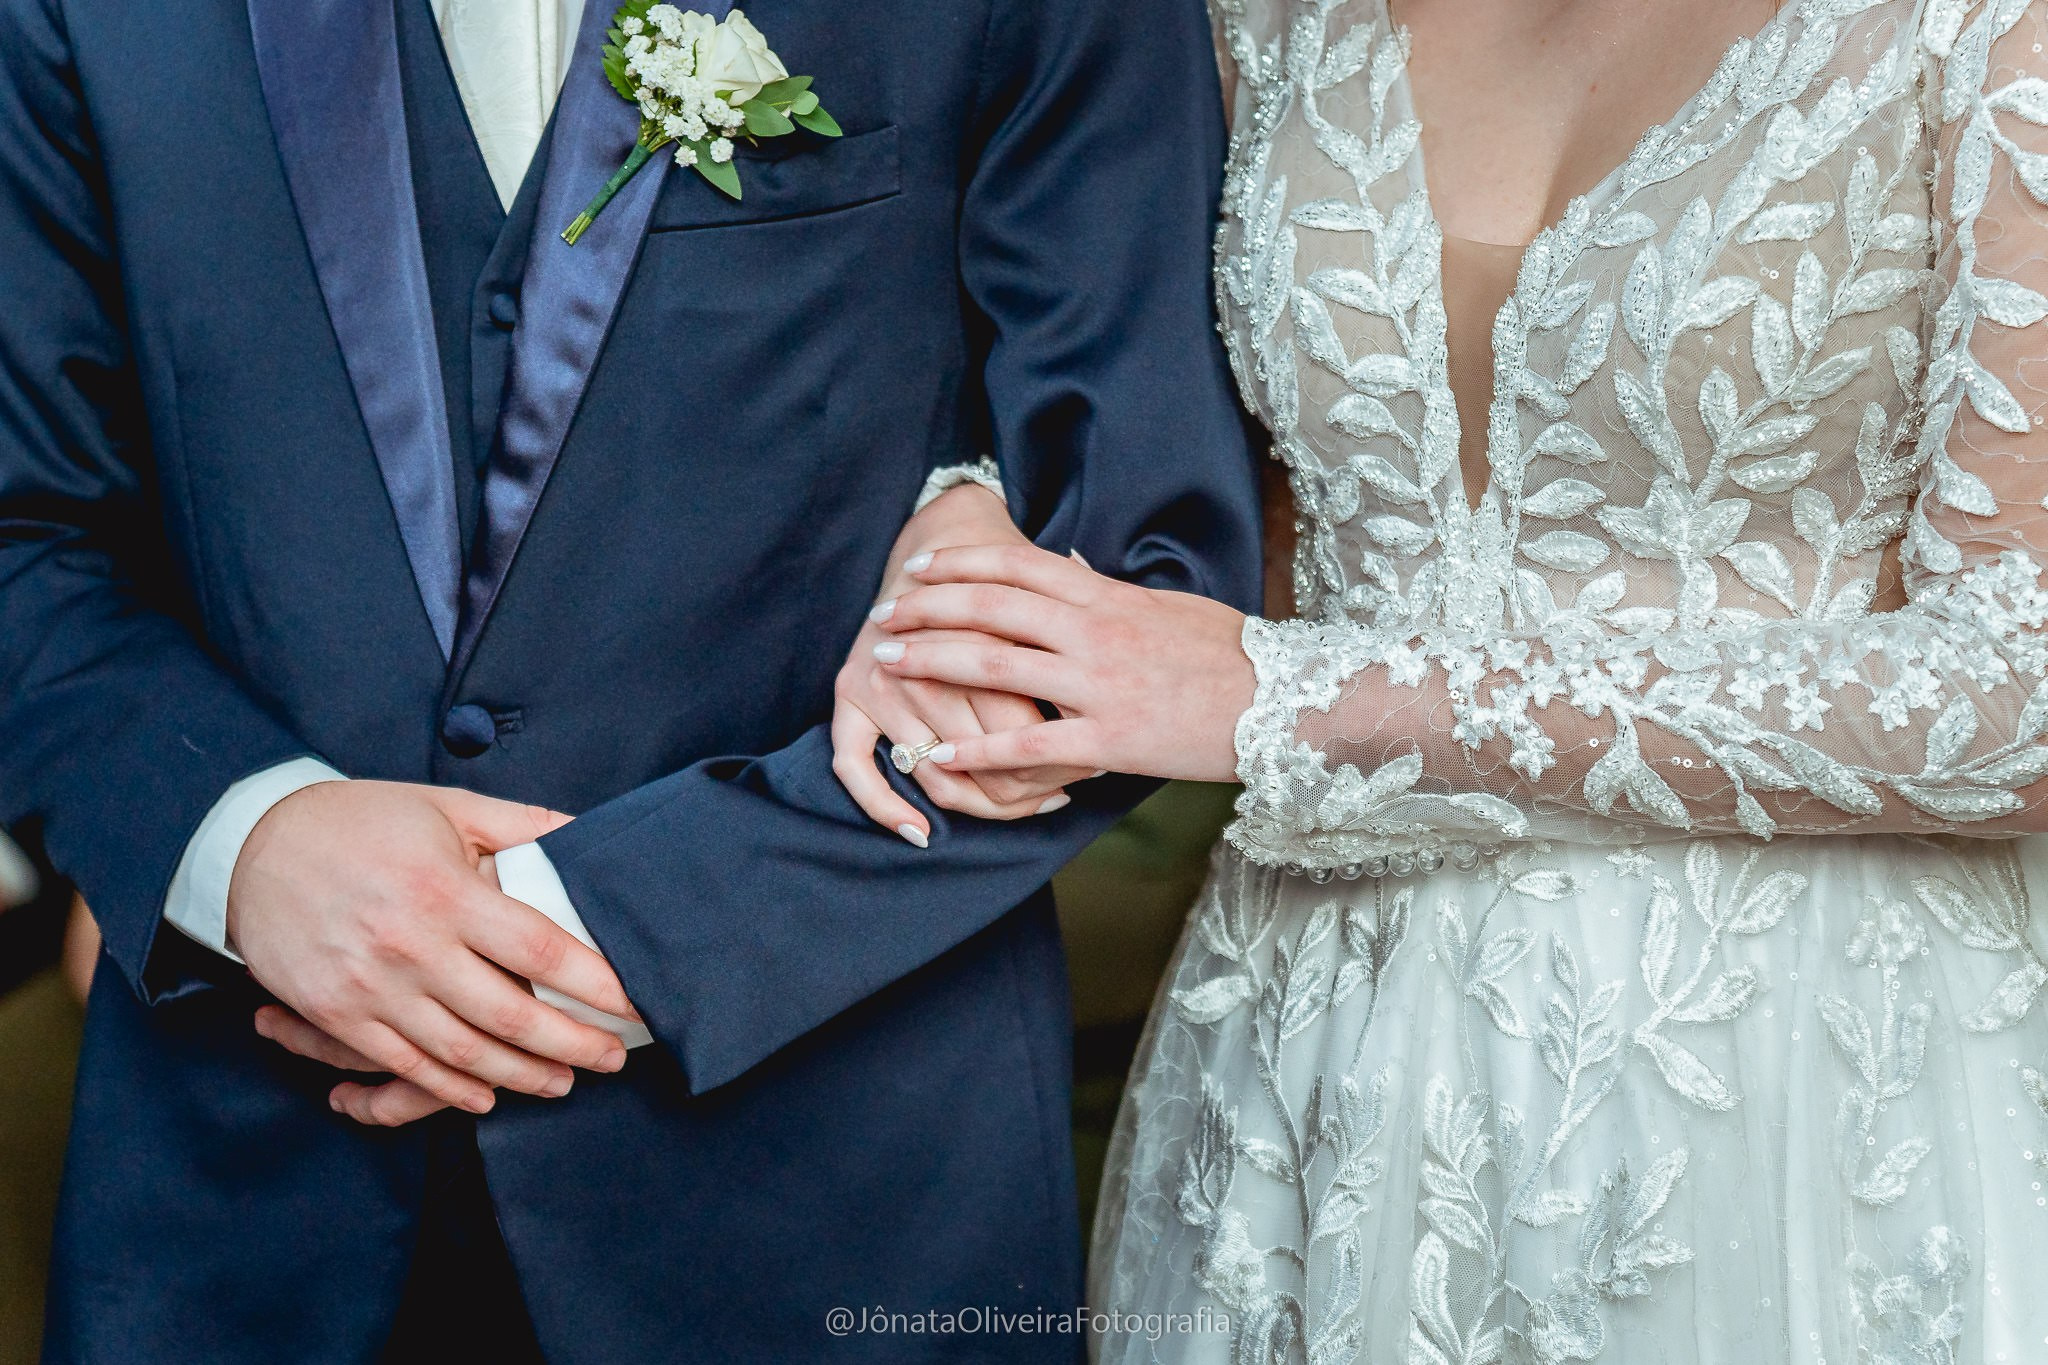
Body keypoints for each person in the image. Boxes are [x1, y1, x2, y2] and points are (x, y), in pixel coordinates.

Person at [0, 0, 1262, 1358]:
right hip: (250, 1214)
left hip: (832, 1196)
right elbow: (30, 531)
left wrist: (575, 924)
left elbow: (1134, 582)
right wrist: (236, 838)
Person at [836, 0, 2048, 1357]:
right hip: (1311, 1044)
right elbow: (1207, 489)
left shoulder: (1984, 30)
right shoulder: (1266, 19)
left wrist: (1303, 708)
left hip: (1795, 1072)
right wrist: (975, 531)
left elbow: (2022, 689)